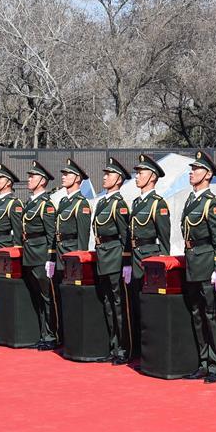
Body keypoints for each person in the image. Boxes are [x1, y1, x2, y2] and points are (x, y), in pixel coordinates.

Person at [181, 151, 216, 384]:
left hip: (207, 262)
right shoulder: (192, 200)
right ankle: (203, 361)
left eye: (196, 169)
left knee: (211, 315)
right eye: (191, 169)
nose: (192, 173)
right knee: (197, 314)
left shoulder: (212, 202)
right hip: (192, 261)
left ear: (207, 174)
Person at [126, 154, 170, 358]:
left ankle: (153, 352)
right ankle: (139, 351)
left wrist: (165, 268)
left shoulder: (157, 204)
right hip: (135, 257)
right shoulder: (136, 202)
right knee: (136, 305)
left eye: (140, 173)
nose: (136, 176)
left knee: (150, 308)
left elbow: (164, 240)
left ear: (152, 177)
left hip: (150, 258)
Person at [47, 158, 91, 345]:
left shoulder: (81, 204)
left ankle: (73, 339)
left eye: (67, 174)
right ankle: (61, 336)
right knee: (60, 296)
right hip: (60, 254)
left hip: (72, 255)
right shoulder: (64, 201)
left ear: (77, 178)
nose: (63, 177)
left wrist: (79, 261)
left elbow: (83, 237)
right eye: (63, 174)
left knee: (73, 298)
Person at [93, 157, 132, 364]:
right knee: (108, 303)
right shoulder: (103, 202)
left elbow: (125, 236)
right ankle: (113, 345)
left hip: (115, 256)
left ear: (118, 179)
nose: (105, 177)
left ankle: (124, 348)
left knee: (119, 304)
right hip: (102, 255)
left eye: (109, 174)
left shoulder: (119, 204)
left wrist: (126, 262)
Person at [21, 161, 57, 351]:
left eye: (32, 176)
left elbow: (51, 234)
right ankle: (42, 333)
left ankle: (50, 335)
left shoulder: (46, 205)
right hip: (29, 253)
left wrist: (50, 258)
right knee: (36, 296)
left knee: (47, 297)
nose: (29, 179)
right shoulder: (30, 203)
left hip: (41, 254)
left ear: (42, 181)